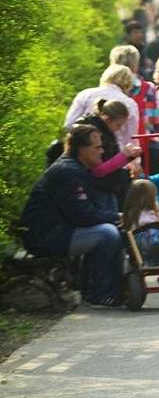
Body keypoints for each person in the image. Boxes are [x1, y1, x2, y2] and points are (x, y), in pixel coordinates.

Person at [20, 124, 124, 307]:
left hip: (61, 230)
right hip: (47, 235)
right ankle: (99, 294)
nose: (102, 151)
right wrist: (116, 217)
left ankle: (114, 289)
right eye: (97, 147)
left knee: (111, 227)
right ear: (81, 149)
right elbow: (83, 216)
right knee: (107, 233)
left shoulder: (76, 169)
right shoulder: (68, 172)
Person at [74, 99, 141, 210]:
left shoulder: (107, 134)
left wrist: (129, 157)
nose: (120, 129)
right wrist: (124, 156)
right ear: (107, 119)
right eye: (118, 125)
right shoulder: (94, 136)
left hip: (108, 187)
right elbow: (98, 170)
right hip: (97, 189)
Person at [110, 45, 159, 174]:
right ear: (136, 65)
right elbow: (157, 125)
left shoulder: (108, 90)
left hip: (114, 149)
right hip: (145, 148)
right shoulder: (148, 88)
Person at [65, 64, 139, 149]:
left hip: (81, 151)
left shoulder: (85, 94)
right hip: (115, 153)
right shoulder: (130, 104)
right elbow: (130, 136)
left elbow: (69, 123)